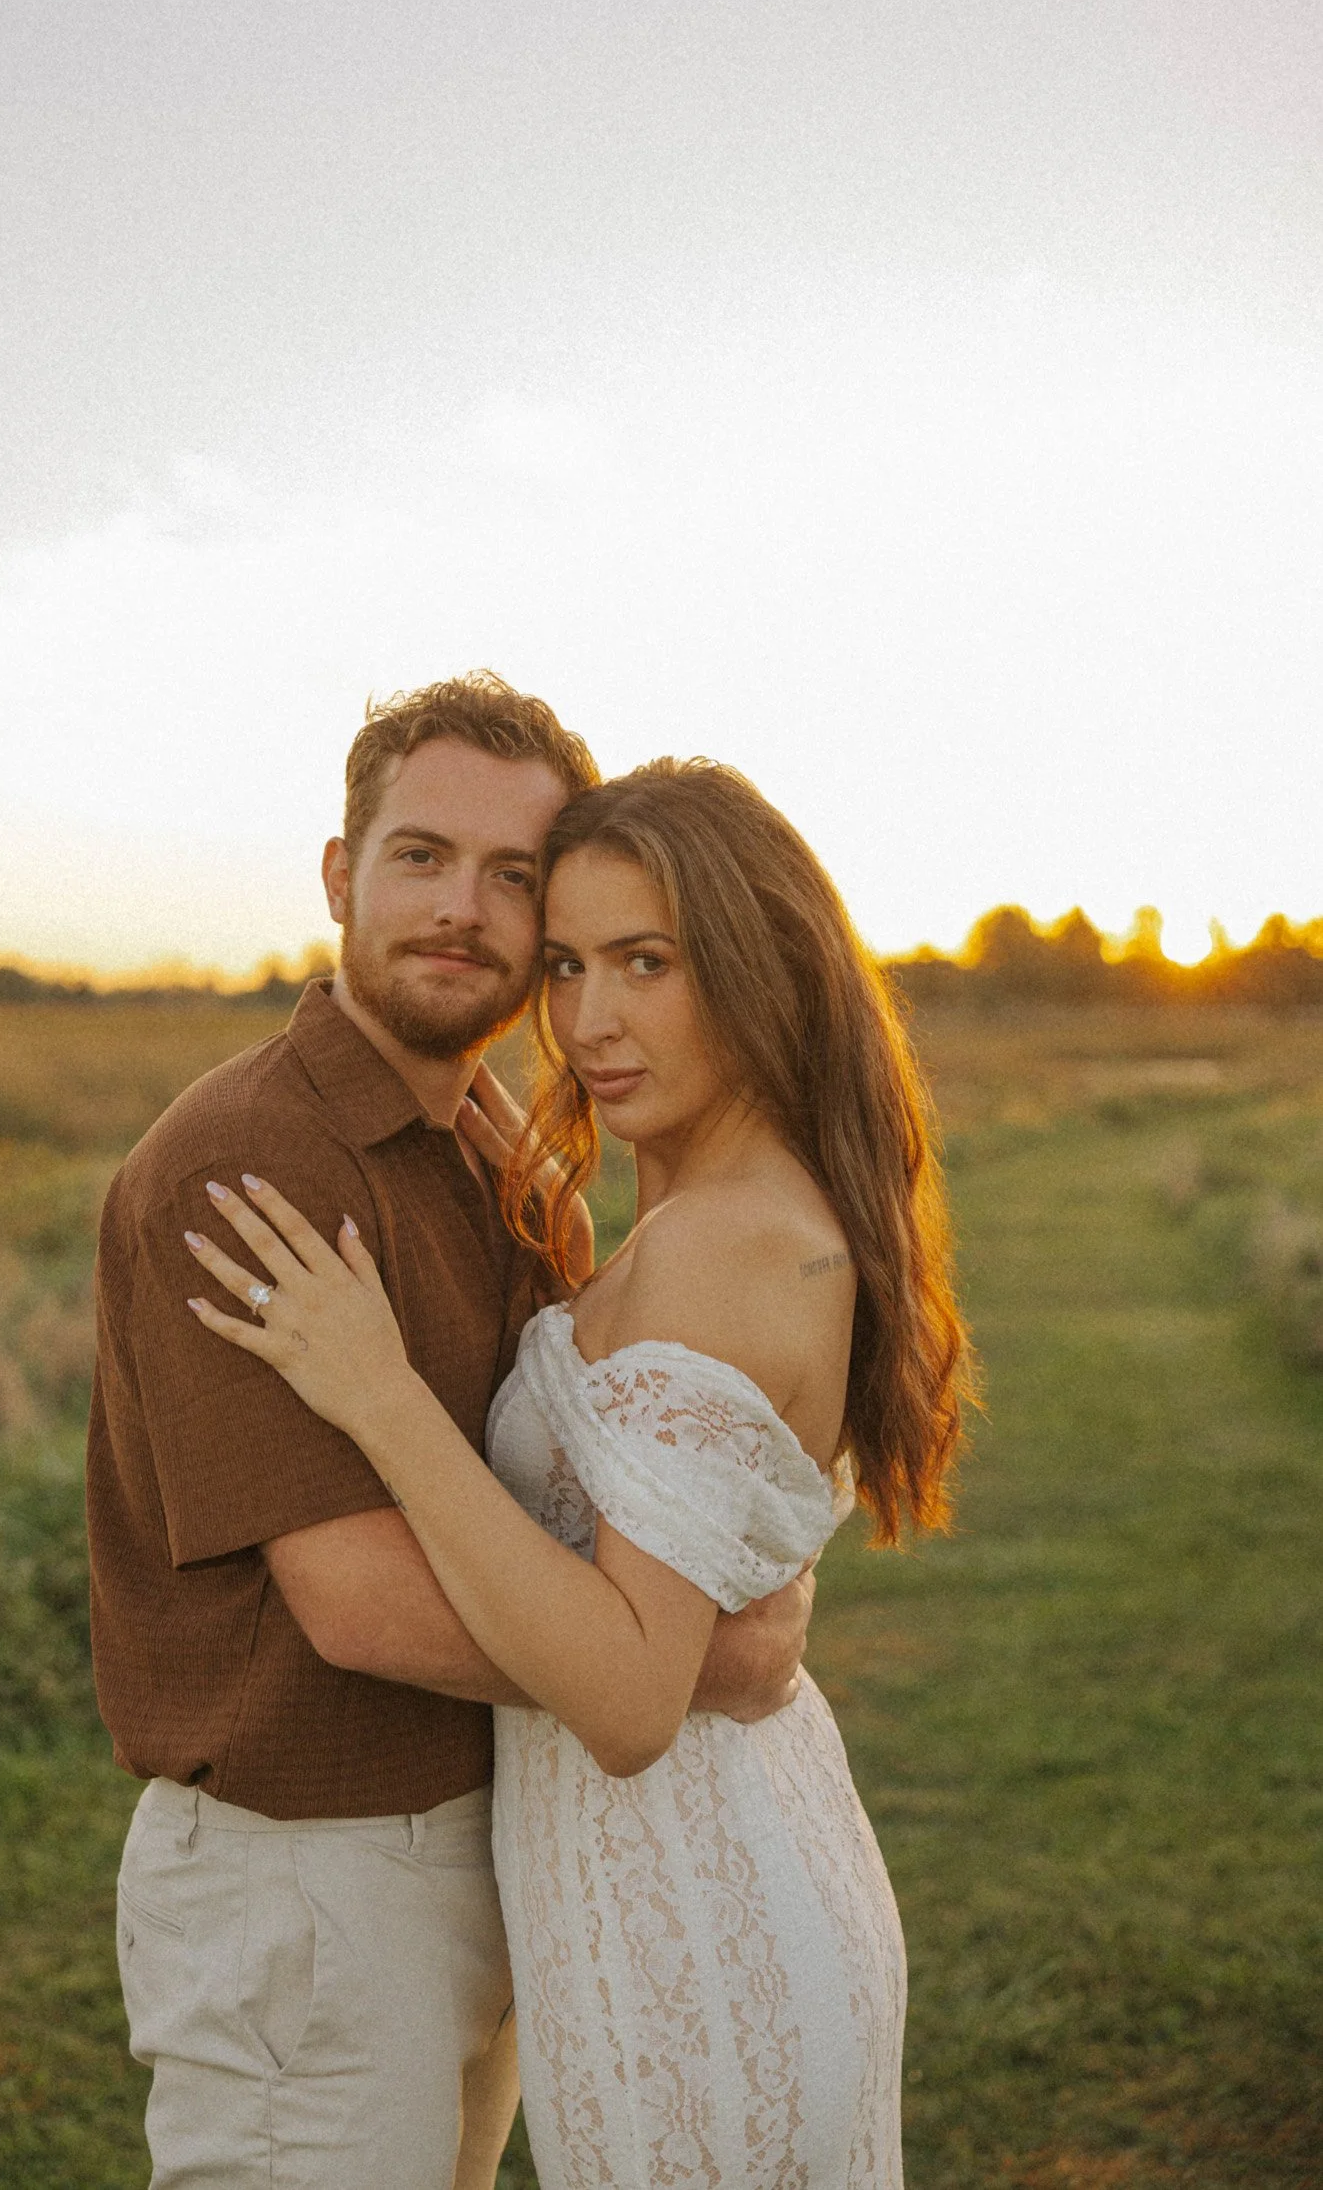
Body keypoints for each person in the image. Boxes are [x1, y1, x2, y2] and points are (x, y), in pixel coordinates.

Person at [187, 757, 975, 2188]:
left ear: (762, 969)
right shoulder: (692, 1207)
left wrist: (378, 1398)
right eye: (564, 966)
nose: (589, 1021)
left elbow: (620, 1699)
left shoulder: (728, 1243)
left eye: (646, 964)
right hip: (642, 1896)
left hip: (697, 1914)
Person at [87, 684, 816, 2190]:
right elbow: (356, 1602)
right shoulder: (252, 1158)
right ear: (341, 873)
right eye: (420, 858)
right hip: (317, 1877)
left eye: (512, 880)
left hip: (499, 1837)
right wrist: (686, 1662)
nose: (461, 913)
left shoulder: (511, 1158)